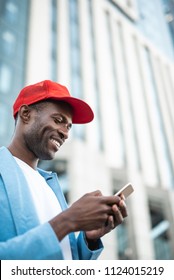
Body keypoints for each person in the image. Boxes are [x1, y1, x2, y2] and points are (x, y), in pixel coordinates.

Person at [0, 80, 128, 260]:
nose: (65, 133)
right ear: (26, 114)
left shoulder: (51, 188)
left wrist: (89, 240)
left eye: (68, 126)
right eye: (58, 120)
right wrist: (68, 221)